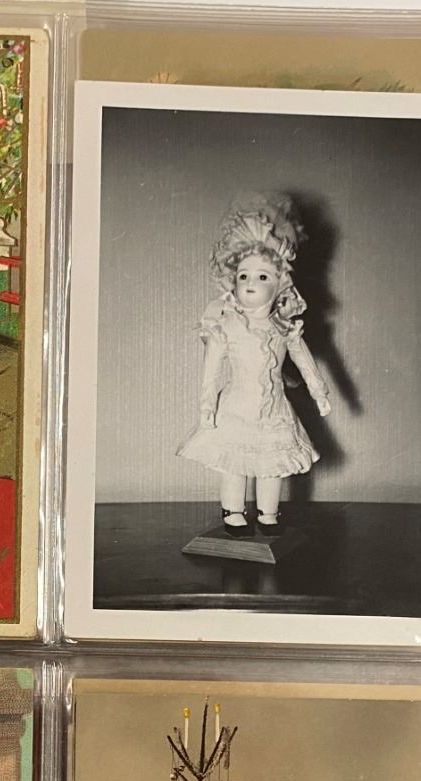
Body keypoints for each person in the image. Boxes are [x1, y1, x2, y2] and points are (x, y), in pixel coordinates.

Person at [176, 196, 332, 540]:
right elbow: (210, 372)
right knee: (235, 463)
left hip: (274, 410)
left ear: (280, 285)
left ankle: (269, 513)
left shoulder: (284, 328)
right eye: (243, 275)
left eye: (262, 276)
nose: (250, 282)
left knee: (271, 465)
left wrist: (319, 393)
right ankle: (233, 511)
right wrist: (207, 408)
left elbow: (304, 361)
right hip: (235, 408)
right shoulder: (225, 326)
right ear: (232, 280)